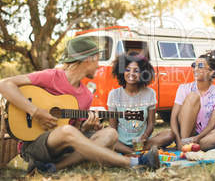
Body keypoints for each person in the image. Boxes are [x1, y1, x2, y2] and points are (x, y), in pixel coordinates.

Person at [0, 36, 159, 174]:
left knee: (110, 134)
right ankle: (134, 163)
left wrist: (85, 128)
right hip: (33, 144)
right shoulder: (51, 76)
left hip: (62, 148)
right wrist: (34, 112)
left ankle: (53, 167)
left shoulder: (86, 95)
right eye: (97, 59)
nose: (98, 65)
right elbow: (4, 84)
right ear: (88, 59)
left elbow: (74, 131)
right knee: (67, 131)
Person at [151, 50, 215, 151]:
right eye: (194, 65)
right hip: (185, 133)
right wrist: (178, 139)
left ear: (212, 72)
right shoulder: (184, 88)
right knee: (193, 97)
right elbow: (173, 118)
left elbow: (212, 124)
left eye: (200, 66)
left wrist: (197, 138)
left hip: (204, 136)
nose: (195, 69)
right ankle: (185, 143)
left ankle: (188, 147)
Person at [107, 52, 159, 154]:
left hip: (143, 142)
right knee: (107, 139)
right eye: (127, 70)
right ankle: (132, 152)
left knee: (169, 135)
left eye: (136, 70)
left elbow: (151, 124)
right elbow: (112, 127)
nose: (131, 73)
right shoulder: (114, 94)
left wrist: (144, 137)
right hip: (120, 142)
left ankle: (133, 151)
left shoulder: (150, 93)